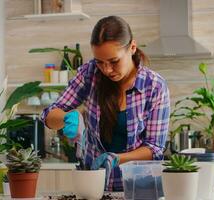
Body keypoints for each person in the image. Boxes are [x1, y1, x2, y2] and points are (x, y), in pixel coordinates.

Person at [40, 16, 170, 191]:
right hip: (95, 186)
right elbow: (49, 115)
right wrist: (67, 117)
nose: (107, 69)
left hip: (138, 187)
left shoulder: (154, 86)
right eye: (100, 62)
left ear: (132, 47)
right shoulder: (90, 73)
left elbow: (154, 148)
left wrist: (116, 158)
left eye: (114, 61)